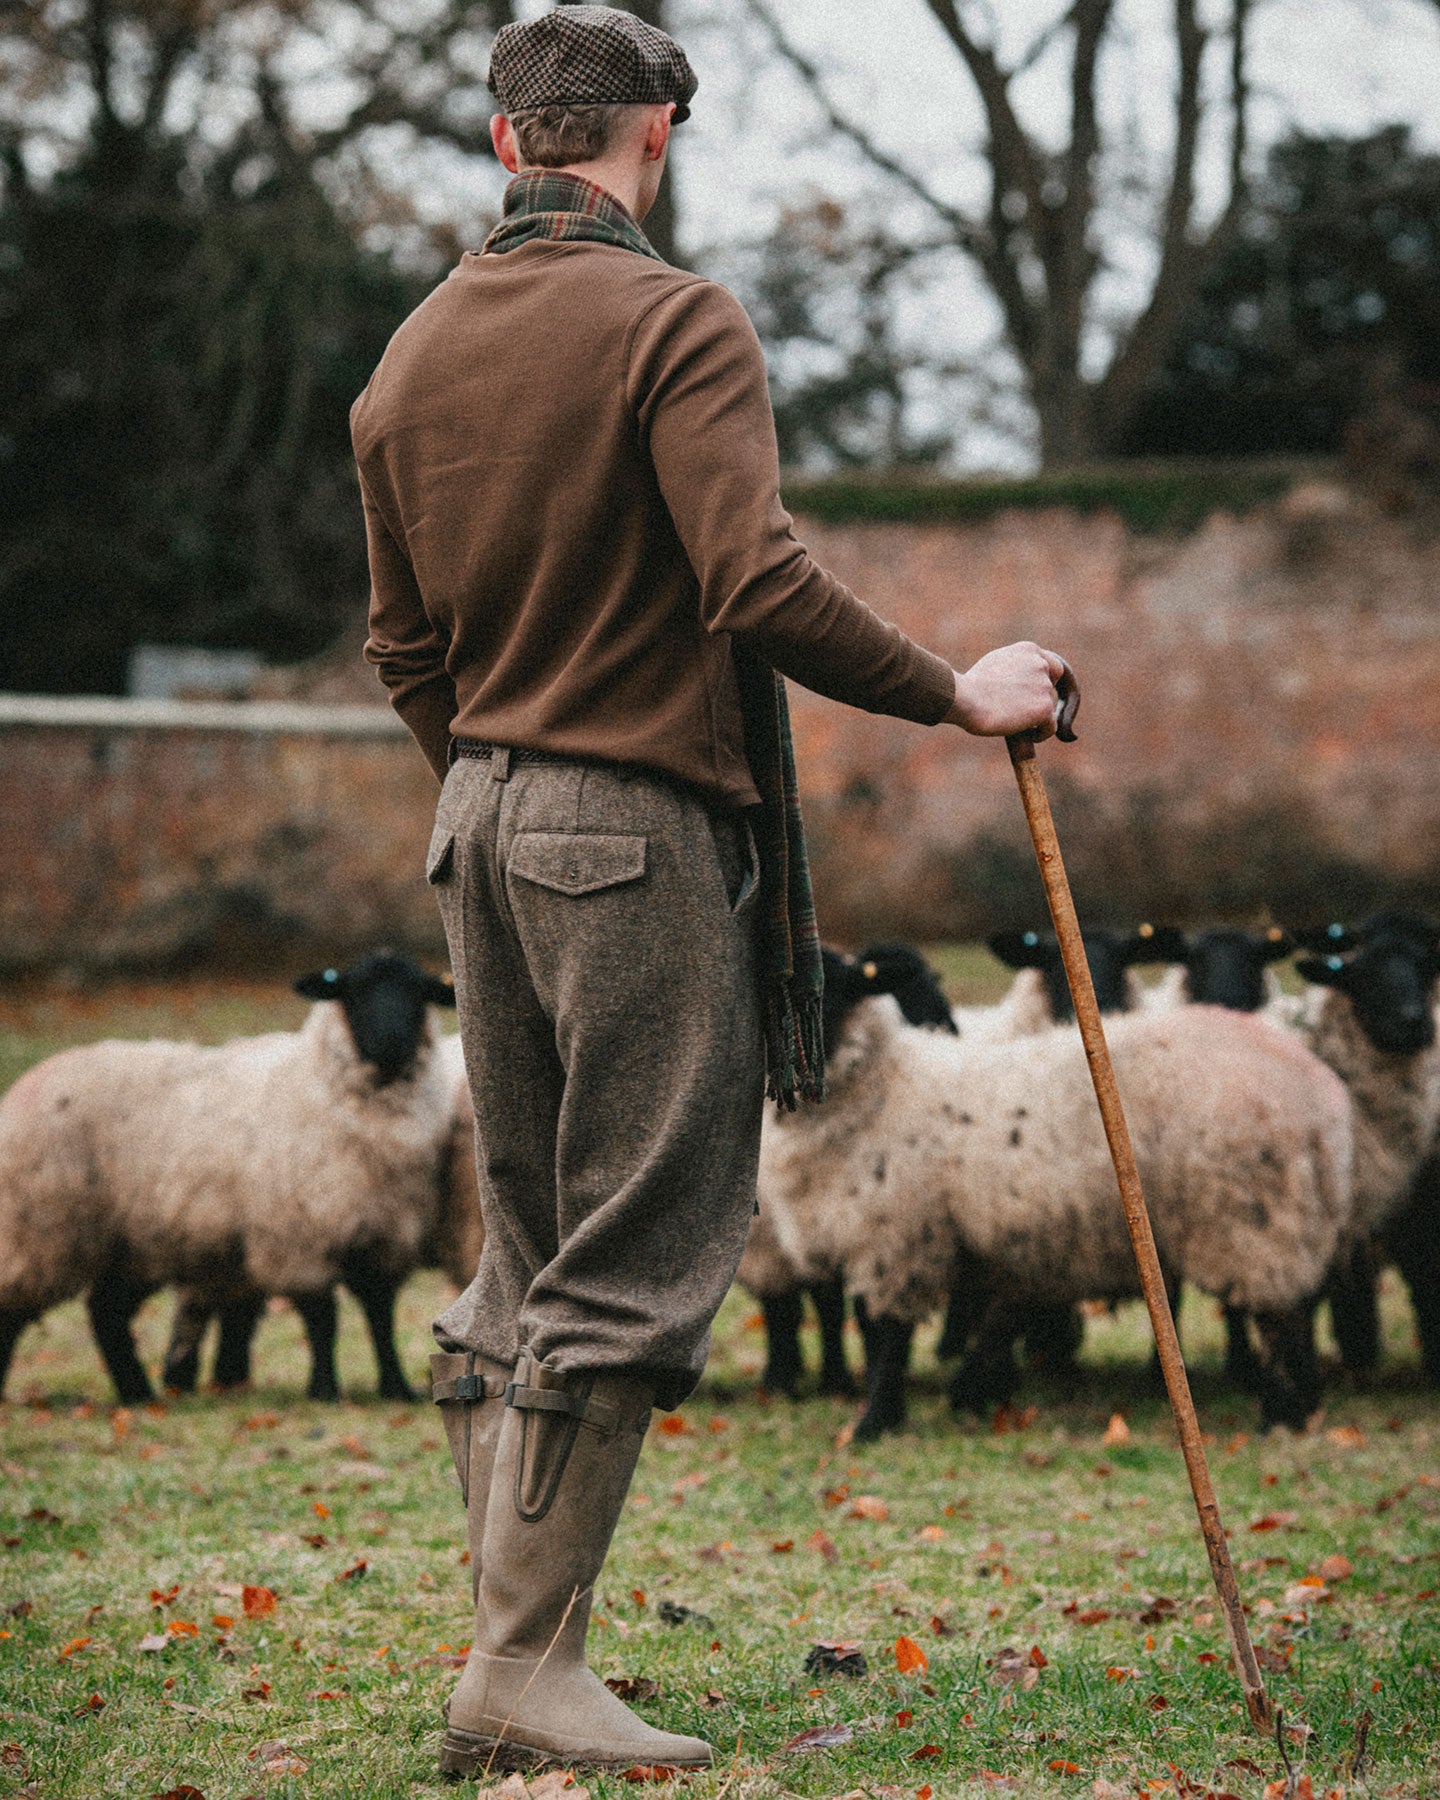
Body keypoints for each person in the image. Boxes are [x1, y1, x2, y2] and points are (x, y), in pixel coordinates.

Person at [350, 4, 1071, 1776]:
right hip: (629, 823)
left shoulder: (410, 357)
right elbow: (756, 578)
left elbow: (400, 651)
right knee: (648, 1234)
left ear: (511, 146)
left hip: (479, 819)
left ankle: (530, 1649)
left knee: (532, 1234)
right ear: (651, 141)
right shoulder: (675, 319)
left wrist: (504, 775)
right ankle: (519, 1671)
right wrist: (958, 689)